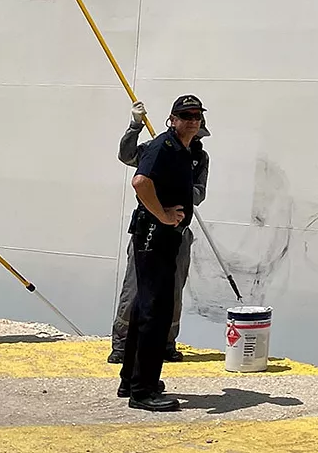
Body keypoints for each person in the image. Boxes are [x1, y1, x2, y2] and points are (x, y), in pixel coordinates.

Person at [118, 94, 205, 412]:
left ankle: (131, 379)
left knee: (144, 307)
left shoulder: (184, 150)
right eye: (186, 116)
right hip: (155, 237)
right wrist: (163, 215)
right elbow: (140, 182)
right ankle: (144, 391)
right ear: (172, 119)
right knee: (157, 312)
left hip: (160, 238)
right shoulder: (164, 147)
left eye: (196, 116)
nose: (192, 121)